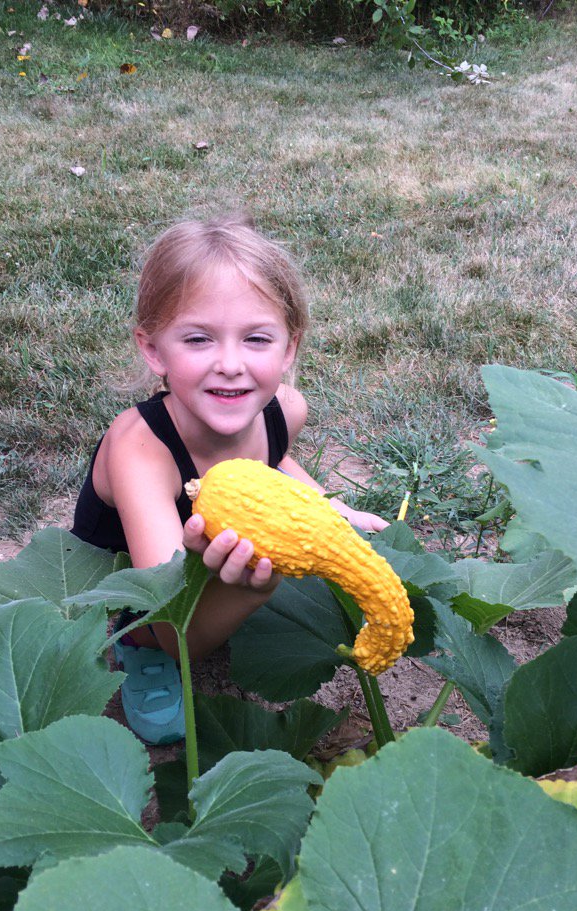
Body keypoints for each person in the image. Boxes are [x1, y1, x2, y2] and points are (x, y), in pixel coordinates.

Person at [72, 214, 387, 744]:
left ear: (289, 348)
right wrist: (248, 595)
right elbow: (174, 623)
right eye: (198, 339)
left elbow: (276, 463)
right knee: (153, 623)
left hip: (213, 536)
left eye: (257, 339)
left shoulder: (285, 409)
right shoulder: (141, 451)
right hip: (134, 568)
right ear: (153, 350)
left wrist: (330, 506)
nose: (231, 364)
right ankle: (136, 653)